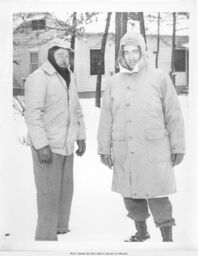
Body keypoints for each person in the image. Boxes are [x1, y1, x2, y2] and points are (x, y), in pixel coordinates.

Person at [97, 31, 185, 242]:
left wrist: (178, 146)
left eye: (135, 51)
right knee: (131, 192)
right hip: (124, 147)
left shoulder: (159, 78)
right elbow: (106, 118)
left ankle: (167, 237)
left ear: (143, 51)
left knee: (158, 194)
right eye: (126, 52)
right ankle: (142, 231)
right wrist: (103, 148)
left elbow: (174, 114)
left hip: (154, 148)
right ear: (120, 54)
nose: (131, 56)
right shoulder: (114, 81)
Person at [24, 38, 86, 241]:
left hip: (66, 145)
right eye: (59, 54)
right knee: (48, 195)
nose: (64, 58)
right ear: (50, 55)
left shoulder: (70, 76)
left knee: (65, 191)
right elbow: (32, 115)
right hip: (48, 146)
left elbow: (76, 109)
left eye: (67, 54)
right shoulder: (38, 78)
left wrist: (81, 136)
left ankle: (60, 228)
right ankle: (44, 238)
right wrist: (41, 145)